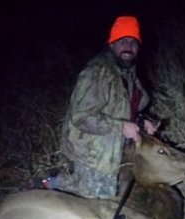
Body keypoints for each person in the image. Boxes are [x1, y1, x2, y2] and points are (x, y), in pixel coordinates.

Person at [34, 16, 158, 199]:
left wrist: (142, 120)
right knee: (100, 200)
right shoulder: (98, 71)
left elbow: (128, 106)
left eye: (133, 41)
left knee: (102, 187)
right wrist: (122, 127)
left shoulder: (127, 71)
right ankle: (49, 187)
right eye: (122, 40)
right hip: (93, 150)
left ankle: (52, 182)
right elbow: (81, 117)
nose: (128, 46)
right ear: (111, 44)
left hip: (112, 145)